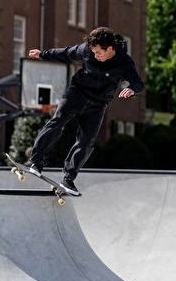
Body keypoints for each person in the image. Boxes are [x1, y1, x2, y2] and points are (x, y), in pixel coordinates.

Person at [22, 26, 144, 193]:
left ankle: (68, 179)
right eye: (93, 52)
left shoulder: (125, 62)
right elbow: (65, 53)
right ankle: (37, 161)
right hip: (77, 93)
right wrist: (42, 54)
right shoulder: (86, 50)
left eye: (98, 53)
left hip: (98, 104)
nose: (95, 56)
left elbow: (137, 83)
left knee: (86, 142)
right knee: (58, 121)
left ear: (110, 48)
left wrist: (132, 90)